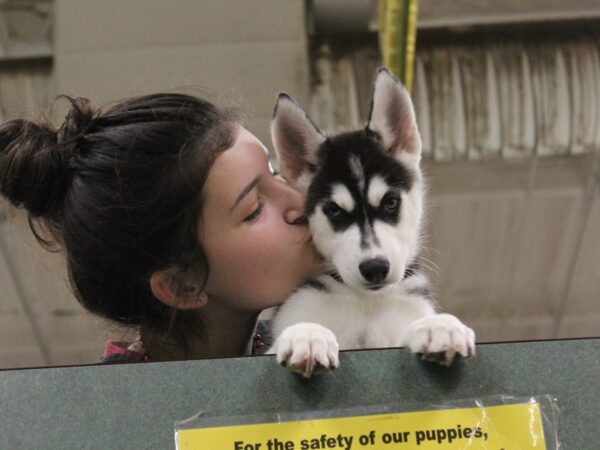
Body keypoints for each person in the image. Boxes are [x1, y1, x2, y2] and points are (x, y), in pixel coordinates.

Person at [0, 93, 322, 363]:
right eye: (253, 210)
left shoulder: (317, 344)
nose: (303, 198)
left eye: (275, 170)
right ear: (181, 284)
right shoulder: (108, 427)